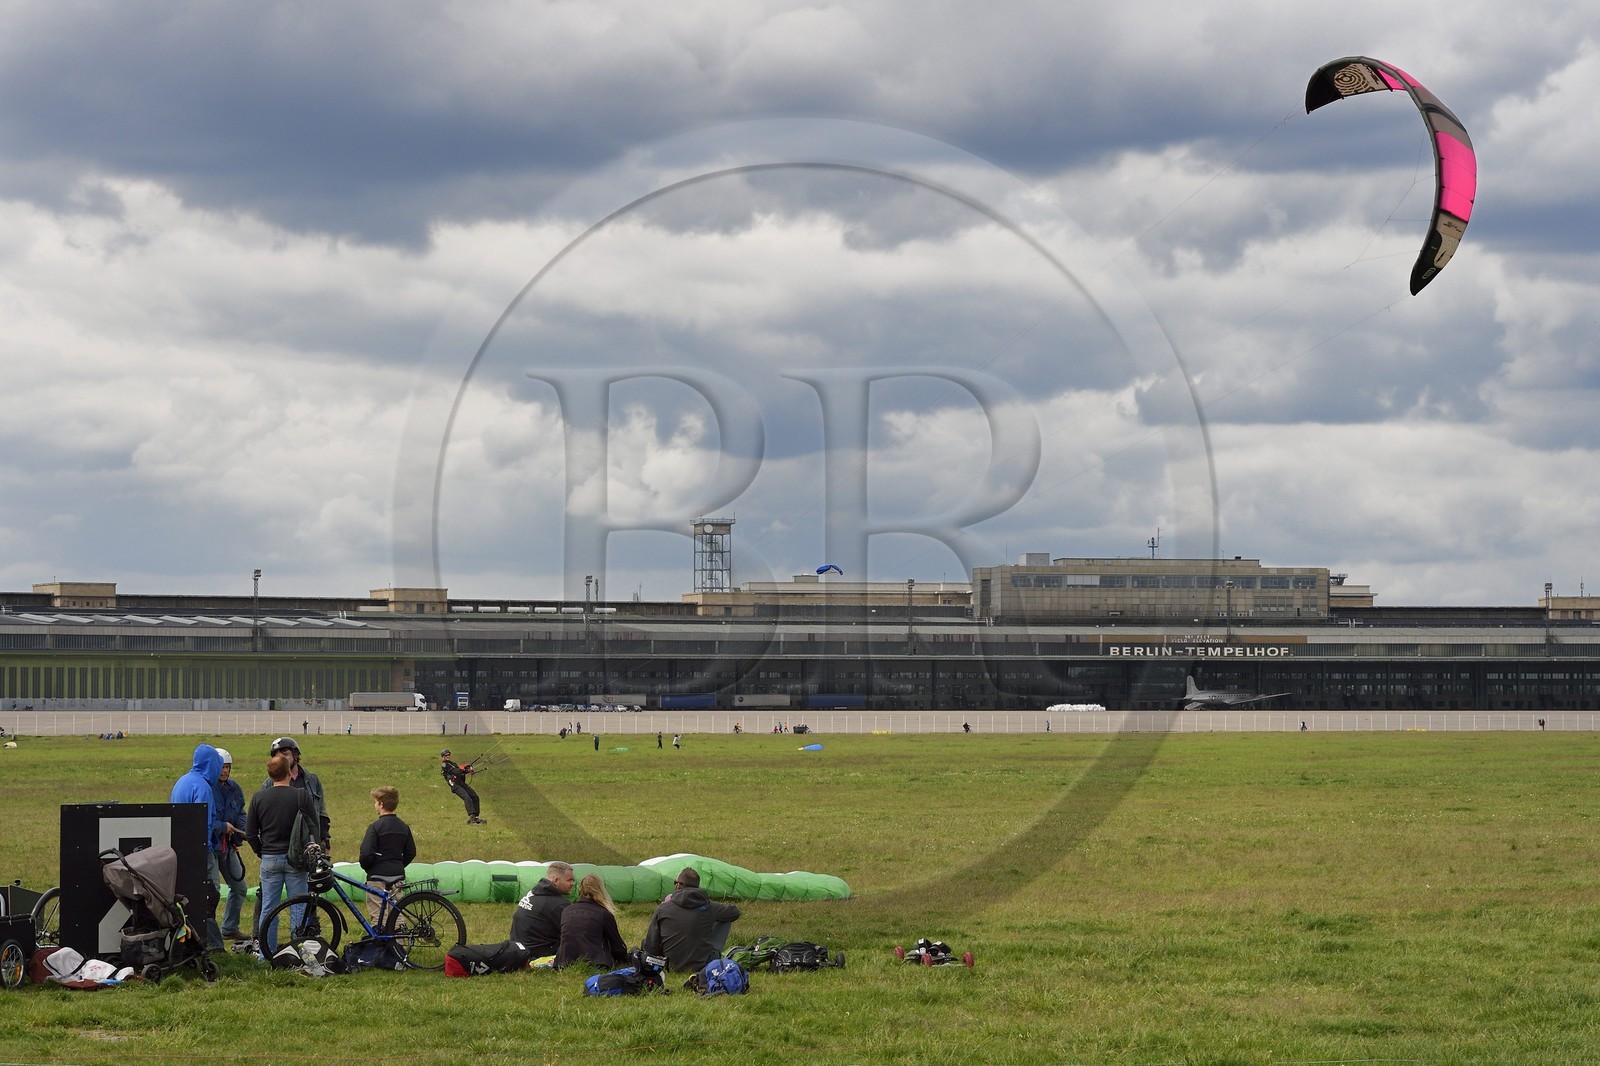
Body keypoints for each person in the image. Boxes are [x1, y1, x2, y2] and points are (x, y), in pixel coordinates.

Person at [246, 749, 320, 953]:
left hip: (270, 857)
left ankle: (265, 954)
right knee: (299, 907)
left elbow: (250, 833)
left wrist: (262, 851)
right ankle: (299, 952)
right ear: (289, 772)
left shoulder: (258, 798)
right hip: (296, 859)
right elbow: (314, 827)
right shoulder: (301, 796)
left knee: (268, 909)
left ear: (270, 775)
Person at [171, 743, 226, 950]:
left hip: (181, 848)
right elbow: (205, 822)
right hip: (201, 849)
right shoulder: (203, 787)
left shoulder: (182, 782)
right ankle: (212, 944)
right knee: (211, 894)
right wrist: (207, 848)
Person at [641, 867, 740, 973]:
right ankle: (713, 956)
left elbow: (651, 944)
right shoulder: (709, 907)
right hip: (703, 965)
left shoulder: (663, 908)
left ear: (678, 885)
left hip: (669, 964)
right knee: (725, 917)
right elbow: (734, 912)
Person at [358, 786, 417, 928]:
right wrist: (398, 864)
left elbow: (366, 854)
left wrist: (369, 868)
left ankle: (381, 946)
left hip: (377, 877)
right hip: (397, 876)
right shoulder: (403, 826)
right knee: (397, 913)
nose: (374, 805)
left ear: (381, 804)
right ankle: (399, 945)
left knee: (379, 915)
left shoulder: (375, 827)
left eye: (375, 802)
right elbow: (411, 852)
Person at [265, 737, 330, 857]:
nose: (281, 759)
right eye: (277, 756)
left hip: (309, 842)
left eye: (285, 754)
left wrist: (324, 838)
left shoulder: (312, 780)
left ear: (295, 755)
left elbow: (321, 812)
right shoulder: (268, 784)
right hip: (280, 845)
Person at [212, 748, 251, 942]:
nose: (224, 771)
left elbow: (241, 813)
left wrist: (243, 830)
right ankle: (209, 936)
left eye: (227, 767)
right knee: (212, 891)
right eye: (221, 767)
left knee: (240, 888)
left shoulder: (234, 788)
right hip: (210, 847)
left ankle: (229, 928)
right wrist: (222, 827)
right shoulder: (207, 789)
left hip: (228, 847)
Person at [555, 873, 628, 969]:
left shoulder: (567, 911)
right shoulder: (603, 914)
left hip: (564, 962)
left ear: (580, 890)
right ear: (601, 890)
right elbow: (618, 948)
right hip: (596, 963)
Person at [513, 861, 575, 958]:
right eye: (569, 880)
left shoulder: (533, 892)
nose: (573, 884)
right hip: (537, 953)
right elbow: (574, 933)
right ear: (556, 880)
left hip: (517, 947)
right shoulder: (559, 904)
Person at [440, 750, 485, 824]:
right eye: (445, 755)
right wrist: (465, 770)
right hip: (455, 785)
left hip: (461, 783)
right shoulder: (445, 765)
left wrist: (468, 769)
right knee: (467, 797)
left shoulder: (453, 763)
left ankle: (475, 817)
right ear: (443, 756)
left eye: (448, 755)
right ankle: (472, 816)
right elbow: (456, 771)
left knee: (475, 797)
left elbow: (459, 772)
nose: (447, 756)